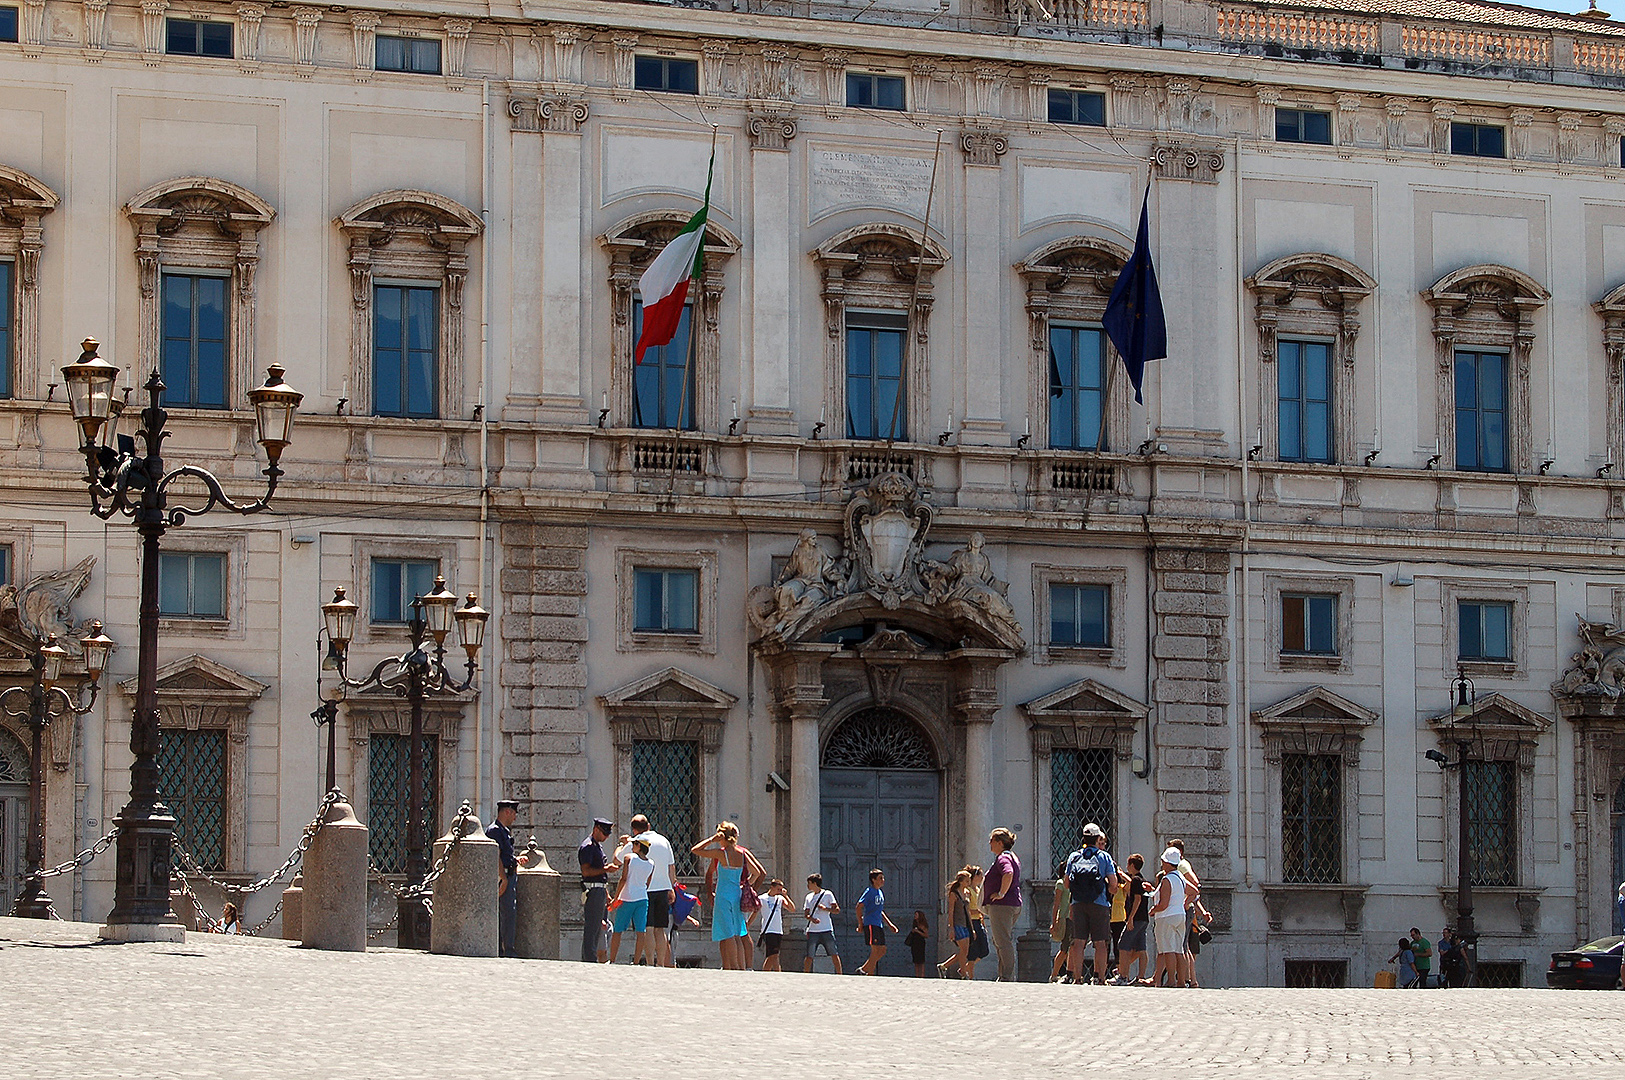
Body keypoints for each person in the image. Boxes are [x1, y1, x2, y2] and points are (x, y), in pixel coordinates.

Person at [691, 821, 763, 970]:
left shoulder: (721, 853)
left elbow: (696, 850)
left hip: (723, 895)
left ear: (722, 835)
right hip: (737, 893)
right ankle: (740, 967)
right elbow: (756, 872)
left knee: (728, 933)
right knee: (738, 932)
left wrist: (712, 839)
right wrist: (746, 884)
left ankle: (733, 966)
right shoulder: (742, 853)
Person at [1064, 822, 1117, 985]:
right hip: (1099, 903)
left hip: (1078, 903)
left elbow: (1066, 883)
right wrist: (1108, 891)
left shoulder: (1074, 856)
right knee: (1100, 942)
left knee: (1078, 942)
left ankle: (1077, 978)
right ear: (1097, 838)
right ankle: (1100, 978)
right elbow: (1114, 884)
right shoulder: (1104, 856)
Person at [622, 814, 676, 967]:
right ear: (649, 826)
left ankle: (650, 963)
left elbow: (619, 860)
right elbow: (671, 867)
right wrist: (672, 888)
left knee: (648, 928)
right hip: (663, 890)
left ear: (634, 830)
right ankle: (661, 964)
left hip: (644, 890)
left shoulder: (636, 842)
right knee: (660, 929)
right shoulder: (664, 841)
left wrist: (623, 844)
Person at [1150, 847, 1195, 987]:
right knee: (1179, 950)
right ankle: (1181, 980)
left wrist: (1153, 910)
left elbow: (1164, 904)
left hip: (1166, 916)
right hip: (1180, 915)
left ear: (1168, 863)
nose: (1162, 863)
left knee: (1168, 949)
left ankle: (1171, 980)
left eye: (1163, 861)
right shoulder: (1180, 877)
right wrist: (1184, 904)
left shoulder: (1167, 879)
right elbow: (1194, 891)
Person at [608, 835, 655, 963]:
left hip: (627, 897)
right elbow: (647, 883)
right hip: (642, 898)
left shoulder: (629, 858)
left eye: (634, 844)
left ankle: (612, 959)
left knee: (618, 930)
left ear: (639, 846)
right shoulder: (651, 864)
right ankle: (636, 961)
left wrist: (615, 898)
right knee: (641, 931)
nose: (632, 847)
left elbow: (623, 879)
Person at [983, 828, 1023, 981]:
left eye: (992, 841)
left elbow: (1008, 873)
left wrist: (1001, 893)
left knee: (1003, 941)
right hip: (1011, 904)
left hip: (1003, 906)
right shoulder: (1012, 856)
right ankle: (1003, 974)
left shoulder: (1003, 859)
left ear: (1000, 843)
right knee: (1000, 939)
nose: (990, 844)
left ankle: (1007, 976)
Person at [578, 817, 618, 963]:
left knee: (599, 928)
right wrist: (605, 869)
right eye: (604, 833)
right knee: (592, 928)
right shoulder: (588, 846)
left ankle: (592, 957)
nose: (607, 837)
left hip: (600, 889)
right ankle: (589, 959)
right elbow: (586, 872)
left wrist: (606, 893)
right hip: (592, 890)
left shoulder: (597, 846)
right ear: (596, 830)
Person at [486, 799, 519, 958]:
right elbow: (496, 856)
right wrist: (503, 878)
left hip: (509, 874)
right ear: (508, 812)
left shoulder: (503, 831)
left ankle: (506, 950)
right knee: (506, 914)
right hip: (503, 876)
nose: (515, 818)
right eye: (514, 813)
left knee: (508, 914)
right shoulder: (495, 831)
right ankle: (505, 951)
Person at [855, 868, 900, 975]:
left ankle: (863, 969)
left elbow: (880, 911)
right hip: (870, 923)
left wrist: (890, 924)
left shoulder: (880, 893)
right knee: (875, 950)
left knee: (882, 950)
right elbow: (859, 906)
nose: (883, 880)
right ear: (874, 880)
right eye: (880, 878)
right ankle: (869, 973)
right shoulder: (869, 892)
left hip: (878, 924)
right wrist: (860, 923)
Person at [1115, 854, 1151, 985]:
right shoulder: (1142, 880)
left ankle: (1123, 976)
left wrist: (1130, 918)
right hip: (1144, 918)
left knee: (1123, 945)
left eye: (1128, 864)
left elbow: (1137, 899)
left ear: (1131, 865)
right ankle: (1140, 976)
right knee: (1141, 949)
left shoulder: (1135, 880)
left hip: (1136, 918)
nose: (1126, 867)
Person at [802, 872, 843, 974]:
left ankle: (840, 974)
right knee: (809, 955)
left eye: (809, 883)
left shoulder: (828, 894)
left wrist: (826, 909)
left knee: (834, 953)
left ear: (814, 883)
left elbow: (837, 910)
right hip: (813, 930)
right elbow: (806, 914)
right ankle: (805, 974)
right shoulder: (808, 897)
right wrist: (812, 919)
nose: (808, 885)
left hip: (826, 929)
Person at [938, 869, 973, 979]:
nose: (969, 883)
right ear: (961, 881)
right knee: (963, 949)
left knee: (965, 950)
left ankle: (944, 966)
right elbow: (951, 911)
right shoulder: (954, 894)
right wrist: (951, 928)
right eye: (967, 881)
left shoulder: (967, 893)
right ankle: (963, 973)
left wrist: (971, 928)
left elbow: (968, 911)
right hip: (957, 924)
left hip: (965, 924)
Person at [752, 879, 792, 971]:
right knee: (773, 955)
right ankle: (773, 972)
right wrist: (748, 924)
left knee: (774, 955)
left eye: (781, 889)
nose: (779, 891)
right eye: (778, 889)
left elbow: (791, 908)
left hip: (778, 930)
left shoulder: (780, 899)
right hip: (768, 930)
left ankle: (772, 972)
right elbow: (755, 912)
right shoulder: (762, 898)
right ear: (772, 887)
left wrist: (786, 896)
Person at [1048, 862, 1072, 982]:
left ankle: (1069, 972)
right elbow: (1056, 904)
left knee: (1071, 947)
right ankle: (1054, 974)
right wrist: (1054, 921)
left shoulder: (1073, 884)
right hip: (1065, 917)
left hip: (1073, 918)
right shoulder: (1061, 884)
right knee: (1065, 947)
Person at [964, 865, 988, 979]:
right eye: (980, 875)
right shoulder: (967, 891)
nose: (982, 877)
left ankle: (965, 968)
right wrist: (978, 910)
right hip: (971, 922)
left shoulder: (978, 890)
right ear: (975, 877)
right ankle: (971, 976)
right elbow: (967, 908)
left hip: (978, 920)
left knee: (984, 950)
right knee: (973, 951)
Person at [905, 911, 930, 977]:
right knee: (915, 960)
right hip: (914, 943)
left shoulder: (922, 925)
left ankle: (922, 975)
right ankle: (917, 975)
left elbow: (926, 935)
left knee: (921, 960)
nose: (915, 916)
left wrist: (917, 931)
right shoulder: (915, 923)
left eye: (916, 914)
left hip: (920, 943)